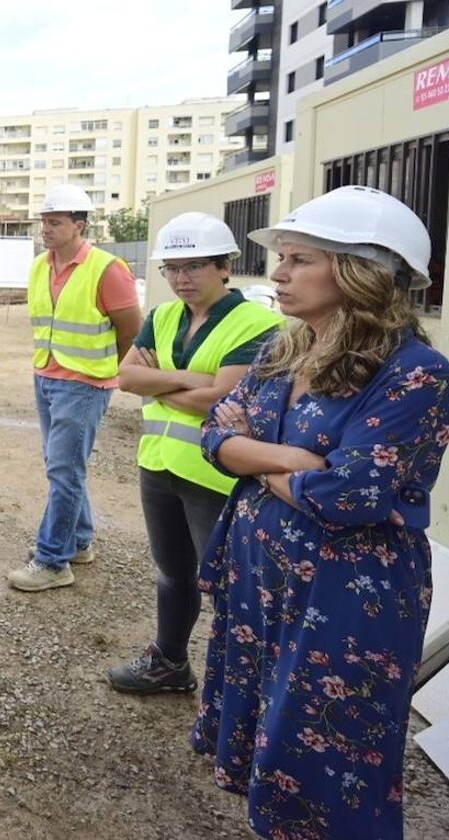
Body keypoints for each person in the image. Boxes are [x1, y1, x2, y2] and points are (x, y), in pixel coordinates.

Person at [191, 186, 449, 840]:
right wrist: (297, 461)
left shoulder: (417, 372)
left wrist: (257, 459)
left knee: (329, 770)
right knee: (268, 756)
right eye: (281, 258)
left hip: (341, 602)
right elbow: (214, 434)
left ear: (361, 270)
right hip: (261, 584)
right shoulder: (284, 347)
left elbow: (350, 495)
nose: (277, 273)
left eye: (298, 258)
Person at [106, 213, 282, 695]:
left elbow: (225, 397)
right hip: (159, 464)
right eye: (172, 268)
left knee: (226, 582)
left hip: (216, 474)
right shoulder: (163, 316)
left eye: (195, 267)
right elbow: (126, 378)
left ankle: (238, 686)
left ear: (226, 266)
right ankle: (170, 662)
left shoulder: (258, 324)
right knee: (172, 572)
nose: (181, 278)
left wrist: (160, 382)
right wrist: (193, 381)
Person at [7, 185, 143, 592]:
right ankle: (79, 540)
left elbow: (131, 331)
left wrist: (107, 373)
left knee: (63, 470)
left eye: (55, 222)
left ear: (79, 225)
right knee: (62, 464)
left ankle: (52, 561)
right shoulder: (40, 266)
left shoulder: (106, 268)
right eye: (44, 222)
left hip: (84, 382)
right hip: (47, 375)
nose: (46, 229)